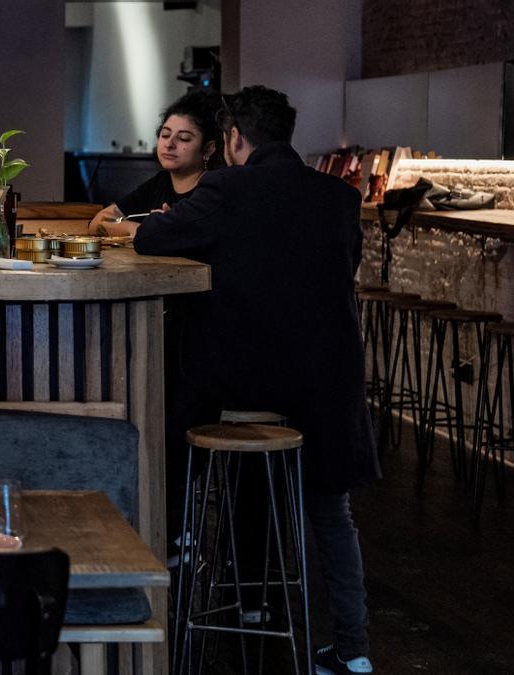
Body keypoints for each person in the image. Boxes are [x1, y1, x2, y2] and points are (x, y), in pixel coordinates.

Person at [127, 86, 379, 674]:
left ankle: (175, 559)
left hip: (243, 387)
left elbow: (151, 237)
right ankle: (354, 650)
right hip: (330, 389)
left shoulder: (226, 188)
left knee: (165, 417)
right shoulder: (340, 198)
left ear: (234, 139)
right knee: (331, 511)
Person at [88, 91, 224, 236]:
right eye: (165, 135)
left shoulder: (212, 189)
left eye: (184, 138)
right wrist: (136, 228)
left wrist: (166, 227)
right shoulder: (160, 182)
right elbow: (97, 222)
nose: (169, 144)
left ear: (209, 148)